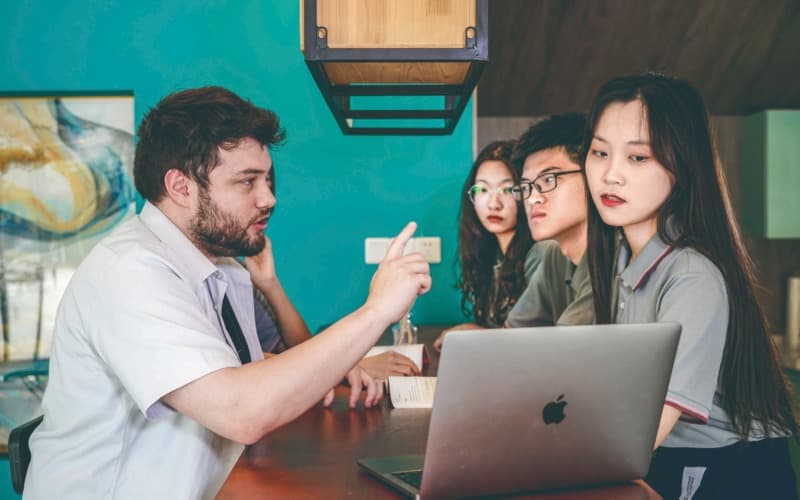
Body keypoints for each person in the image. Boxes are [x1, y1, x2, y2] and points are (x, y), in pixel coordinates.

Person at [24, 86, 431, 499]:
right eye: (247, 182)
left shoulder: (222, 266)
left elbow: (241, 370)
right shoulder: (128, 272)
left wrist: (342, 364)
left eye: (267, 179)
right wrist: (376, 311)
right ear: (180, 187)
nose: (268, 198)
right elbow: (241, 411)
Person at [582, 72, 798, 499]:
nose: (610, 175)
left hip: (732, 474)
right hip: (671, 460)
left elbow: (645, 431)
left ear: (681, 165)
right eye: (598, 152)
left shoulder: (691, 274)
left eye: (637, 158)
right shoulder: (623, 257)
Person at [247, 236, 421, 379]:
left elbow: (301, 347)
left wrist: (270, 283)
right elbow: (239, 364)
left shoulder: (240, 275)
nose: (267, 202)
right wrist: (347, 367)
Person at [433, 140, 535, 351]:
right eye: (483, 189)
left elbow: (537, 342)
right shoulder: (492, 254)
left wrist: (476, 334)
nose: (493, 203)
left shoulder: (540, 255)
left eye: (507, 190)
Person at [504, 113, 595, 327]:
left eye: (549, 179)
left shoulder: (612, 257)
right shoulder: (556, 254)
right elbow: (512, 331)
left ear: (593, 177)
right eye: (526, 187)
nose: (533, 198)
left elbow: (566, 350)